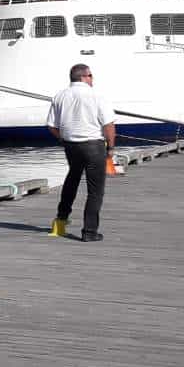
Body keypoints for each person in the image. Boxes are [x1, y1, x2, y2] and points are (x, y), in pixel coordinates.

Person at [46, 63, 116, 241]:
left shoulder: (60, 96)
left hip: (71, 146)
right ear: (84, 77)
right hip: (93, 146)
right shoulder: (96, 95)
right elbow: (108, 125)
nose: (93, 79)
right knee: (95, 191)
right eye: (91, 75)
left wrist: (64, 138)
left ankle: (60, 223)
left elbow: (51, 126)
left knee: (72, 181)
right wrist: (111, 148)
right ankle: (89, 232)